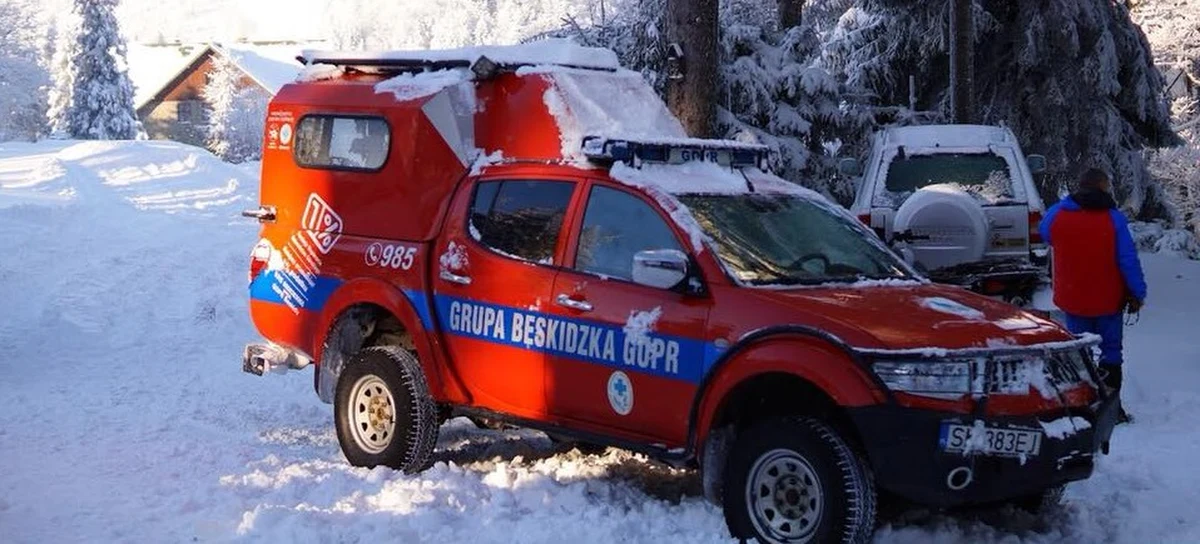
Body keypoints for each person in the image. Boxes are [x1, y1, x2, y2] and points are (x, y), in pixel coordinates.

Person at [1039, 168, 1146, 423]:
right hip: (1108, 299)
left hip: (1072, 298)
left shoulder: (1058, 214)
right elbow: (1127, 260)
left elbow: (1045, 233)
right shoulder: (1113, 218)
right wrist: (1138, 292)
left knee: (1079, 349)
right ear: (1104, 187)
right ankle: (1111, 411)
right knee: (1110, 352)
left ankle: (1081, 407)